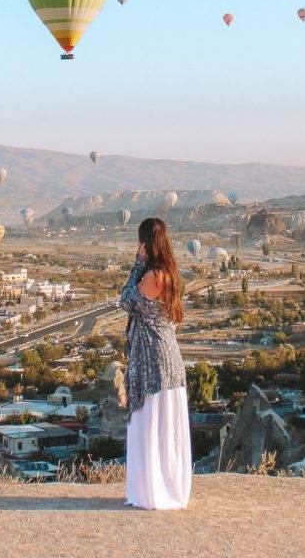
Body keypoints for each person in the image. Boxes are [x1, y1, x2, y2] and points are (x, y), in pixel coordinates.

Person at [118, 216, 191, 510]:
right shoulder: (171, 274)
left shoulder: (153, 276)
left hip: (153, 362)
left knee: (151, 423)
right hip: (168, 359)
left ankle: (153, 491)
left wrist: (136, 265)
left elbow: (124, 300)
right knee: (164, 426)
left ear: (147, 243)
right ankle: (167, 487)